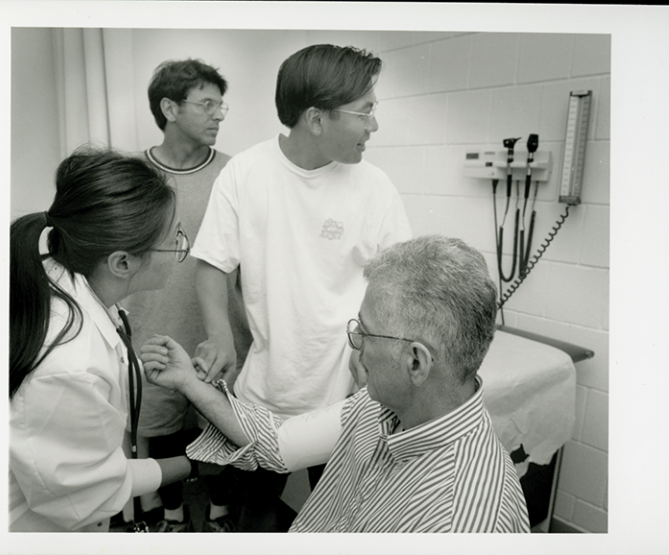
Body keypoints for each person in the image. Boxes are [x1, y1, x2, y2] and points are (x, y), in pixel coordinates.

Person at [141, 235, 531, 533]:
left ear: (416, 362)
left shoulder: (460, 521)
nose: (353, 343)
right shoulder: (380, 407)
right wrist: (189, 382)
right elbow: (279, 443)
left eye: (366, 332)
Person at [192, 43, 412, 530]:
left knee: (340, 518)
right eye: (366, 111)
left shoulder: (374, 186)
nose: (373, 125)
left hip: (346, 395)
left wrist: (376, 360)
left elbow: (399, 281)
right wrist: (220, 335)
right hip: (265, 390)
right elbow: (211, 264)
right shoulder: (246, 173)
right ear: (316, 119)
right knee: (256, 512)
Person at [9, 148, 214, 532]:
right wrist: (197, 464)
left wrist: (134, 368)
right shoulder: (70, 364)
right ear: (122, 262)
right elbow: (89, 496)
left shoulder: (68, 284)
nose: (182, 247)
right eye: (176, 238)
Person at [121, 58, 250, 533]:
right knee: (165, 438)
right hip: (152, 334)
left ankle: (218, 516)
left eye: (222, 105)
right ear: (169, 108)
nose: (219, 115)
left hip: (219, 335)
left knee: (219, 432)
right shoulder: (133, 175)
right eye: (207, 104)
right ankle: (172, 519)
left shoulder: (236, 175)